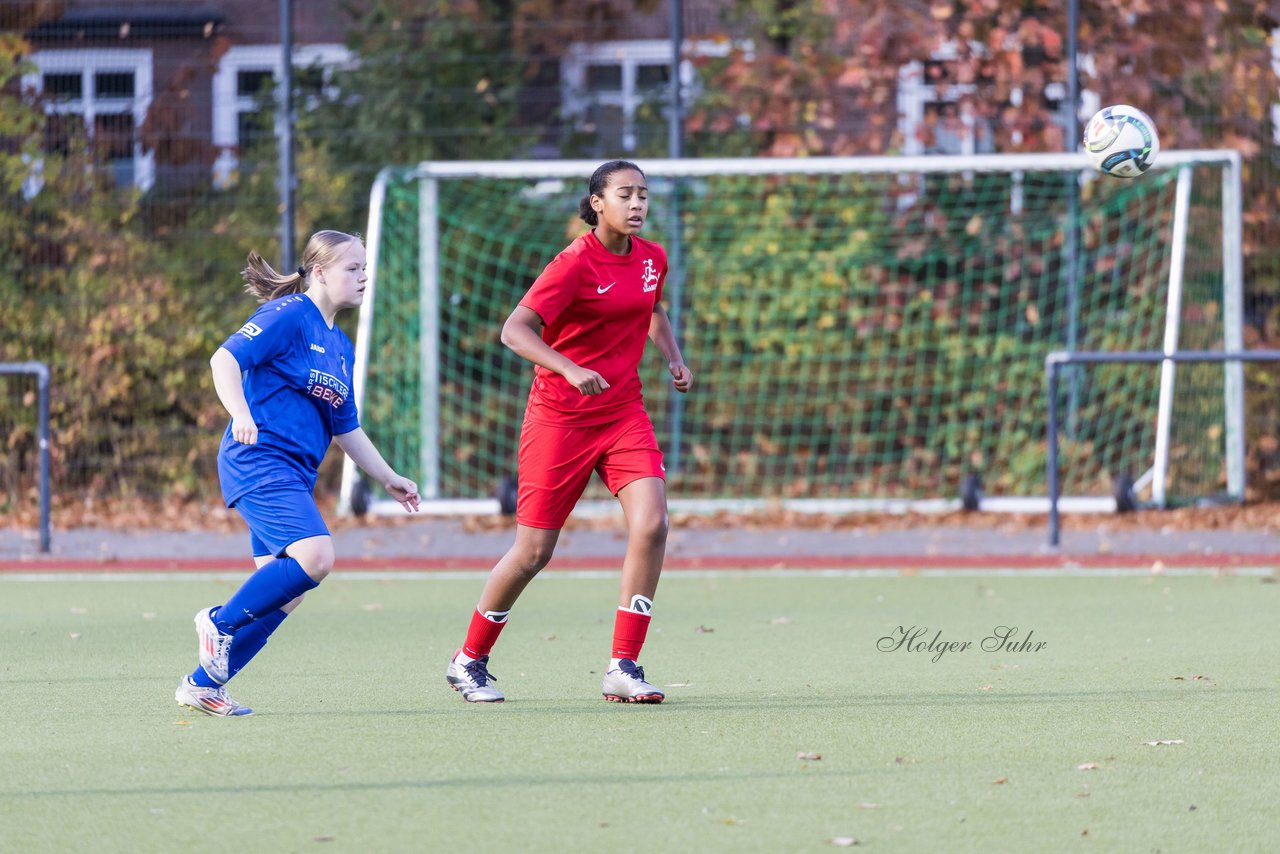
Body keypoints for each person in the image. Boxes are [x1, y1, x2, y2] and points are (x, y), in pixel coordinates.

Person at [445, 160, 692, 704]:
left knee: (652, 525)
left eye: (643, 195)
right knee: (534, 551)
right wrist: (568, 367)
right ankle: (469, 660)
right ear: (597, 203)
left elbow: (652, 310)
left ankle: (623, 666)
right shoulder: (574, 263)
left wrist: (674, 358)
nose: (637, 204)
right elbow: (515, 330)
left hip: (624, 412)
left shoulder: (653, 258)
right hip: (560, 419)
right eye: (624, 194)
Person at [176, 230, 420, 717]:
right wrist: (241, 412)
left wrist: (388, 476)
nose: (364, 277)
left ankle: (203, 684)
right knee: (316, 556)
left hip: (292, 474)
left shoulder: (340, 346)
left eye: (365, 268)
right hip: (259, 461)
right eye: (353, 268)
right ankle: (219, 624)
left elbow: (346, 427)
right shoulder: (288, 315)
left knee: (285, 594)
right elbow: (224, 358)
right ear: (320, 272)